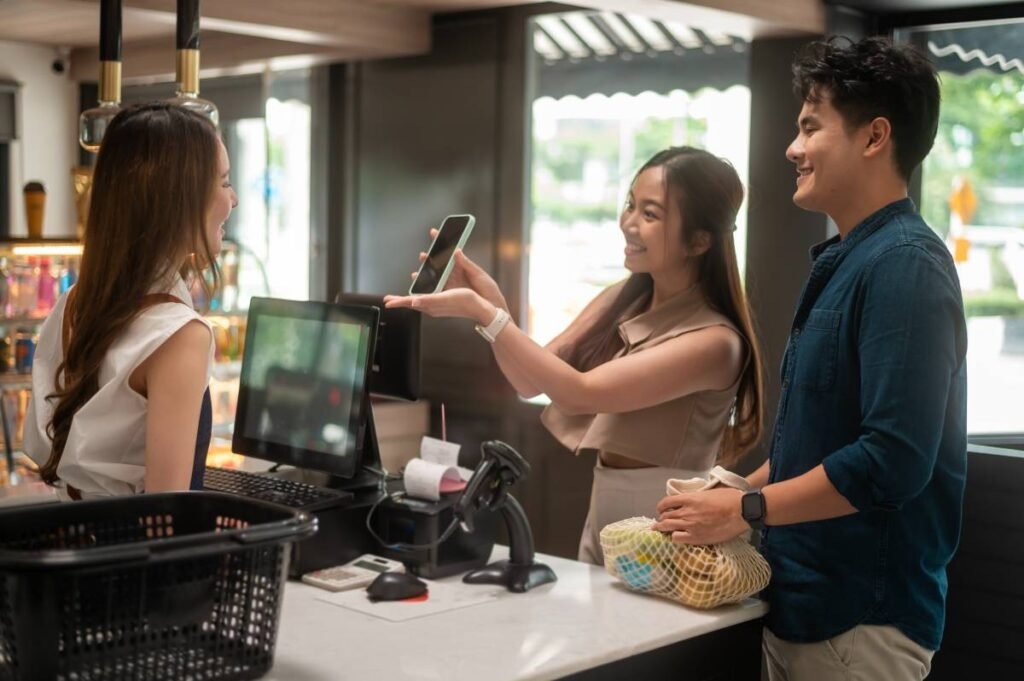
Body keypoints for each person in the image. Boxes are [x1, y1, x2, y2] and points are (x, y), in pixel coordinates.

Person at [652, 37, 967, 681]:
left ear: (875, 137)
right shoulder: (852, 258)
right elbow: (818, 444)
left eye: (809, 127)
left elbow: (890, 462)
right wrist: (738, 488)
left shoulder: (906, 265)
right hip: (805, 607)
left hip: (859, 620)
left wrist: (744, 511)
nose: (792, 149)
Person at [385, 146, 764, 565]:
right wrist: (494, 308)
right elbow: (529, 382)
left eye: (650, 214)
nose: (628, 224)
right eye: (630, 205)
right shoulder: (624, 296)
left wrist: (486, 315)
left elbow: (581, 393)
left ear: (699, 240)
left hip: (671, 527)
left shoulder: (715, 341)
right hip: (606, 509)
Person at [24, 102, 238, 499]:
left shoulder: (76, 301)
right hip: (133, 557)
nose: (234, 199)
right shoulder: (181, 335)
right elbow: (162, 519)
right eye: (224, 182)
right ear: (181, 197)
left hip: (79, 546)